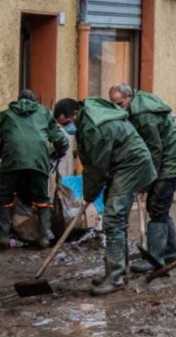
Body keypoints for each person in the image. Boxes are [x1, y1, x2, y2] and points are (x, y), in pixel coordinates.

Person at [67, 97, 156, 295]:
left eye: (65, 122)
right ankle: (118, 271)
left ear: (73, 114)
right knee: (117, 217)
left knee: (113, 218)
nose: (67, 127)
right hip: (123, 165)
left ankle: (115, 278)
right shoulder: (93, 115)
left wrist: (90, 193)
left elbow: (96, 166)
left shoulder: (92, 127)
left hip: (131, 166)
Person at [108, 85, 176, 273]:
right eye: (114, 105)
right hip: (171, 161)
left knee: (156, 208)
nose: (118, 108)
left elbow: (154, 150)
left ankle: (156, 259)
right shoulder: (138, 105)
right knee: (161, 209)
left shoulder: (143, 115)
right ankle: (170, 255)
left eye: (120, 103)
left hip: (170, 164)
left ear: (129, 97)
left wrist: (147, 180)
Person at [0, 93, 69, 249]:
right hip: (38, 162)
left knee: (4, 197)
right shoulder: (44, 113)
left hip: (11, 162)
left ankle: (3, 236)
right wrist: (56, 154)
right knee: (42, 199)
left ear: (18, 101)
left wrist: (4, 155)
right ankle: (44, 236)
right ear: (35, 102)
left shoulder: (6, 115)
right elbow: (60, 140)